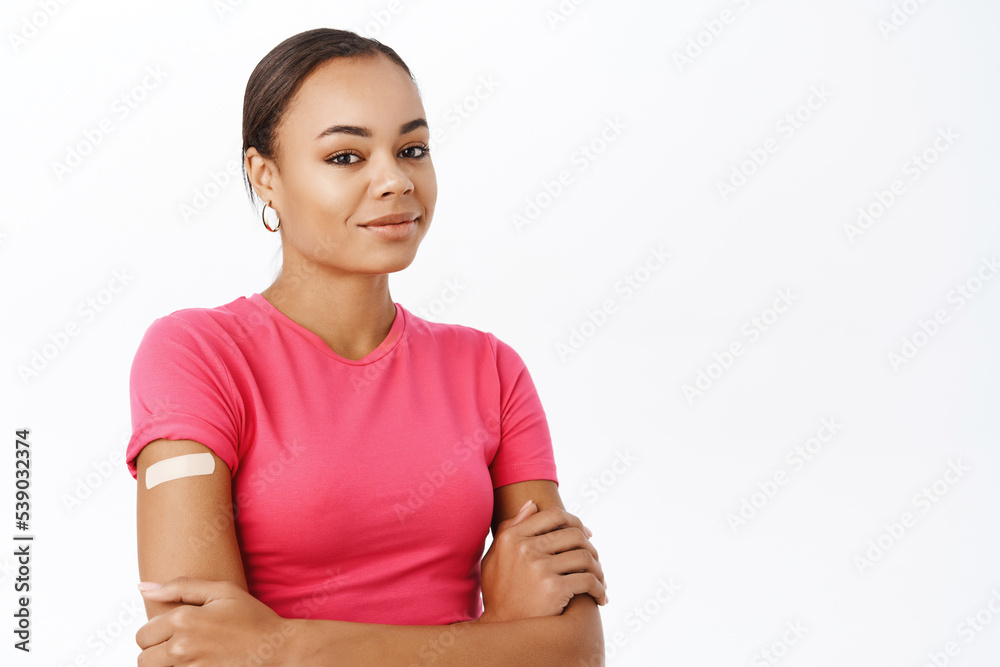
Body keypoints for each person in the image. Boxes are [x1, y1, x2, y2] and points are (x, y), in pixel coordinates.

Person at [125, 27, 607, 665]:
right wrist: (502, 637)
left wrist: (281, 646)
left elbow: (576, 651)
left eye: (412, 149)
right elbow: (195, 650)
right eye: (346, 156)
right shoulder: (197, 354)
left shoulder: (489, 369)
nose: (395, 180)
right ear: (265, 176)